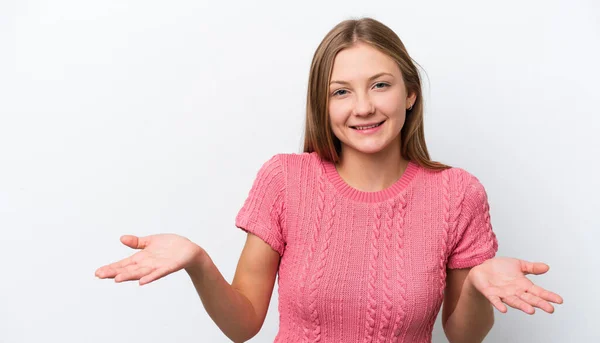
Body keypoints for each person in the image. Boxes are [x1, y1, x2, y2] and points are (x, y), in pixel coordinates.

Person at [95, 17, 563, 343]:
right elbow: (243, 326)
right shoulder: (284, 179)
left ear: (410, 93)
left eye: (380, 85)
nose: (363, 107)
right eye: (341, 92)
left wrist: (480, 282)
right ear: (323, 105)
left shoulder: (457, 193)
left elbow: (463, 337)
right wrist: (197, 261)